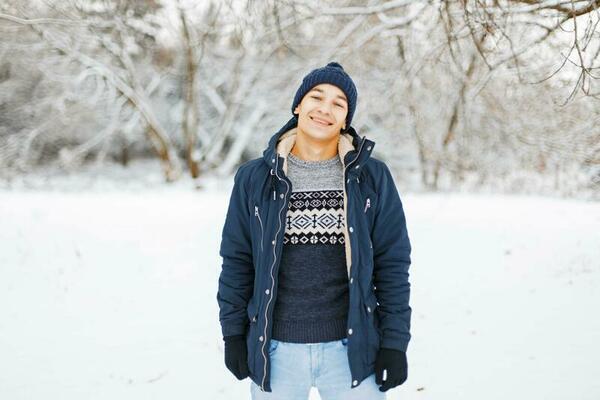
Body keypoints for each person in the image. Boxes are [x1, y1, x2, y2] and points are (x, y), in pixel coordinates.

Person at [216, 62, 412, 399]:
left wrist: (394, 342)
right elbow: (237, 260)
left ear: (347, 118)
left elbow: (392, 264)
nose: (325, 109)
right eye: (316, 97)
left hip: (352, 352)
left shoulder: (372, 178)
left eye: (339, 103)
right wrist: (233, 334)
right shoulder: (255, 178)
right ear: (298, 105)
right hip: (275, 351)